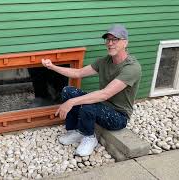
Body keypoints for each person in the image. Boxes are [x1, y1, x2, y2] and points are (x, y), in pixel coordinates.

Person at [41, 24, 142, 156]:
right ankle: (76, 131)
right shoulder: (104, 61)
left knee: (88, 105)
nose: (110, 43)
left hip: (118, 116)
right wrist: (53, 67)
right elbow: (78, 73)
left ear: (125, 42)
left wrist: (71, 102)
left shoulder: (131, 68)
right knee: (68, 91)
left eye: (115, 40)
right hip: (102, 105)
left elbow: (105, 94)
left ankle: (89, 137)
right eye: (108, 40)